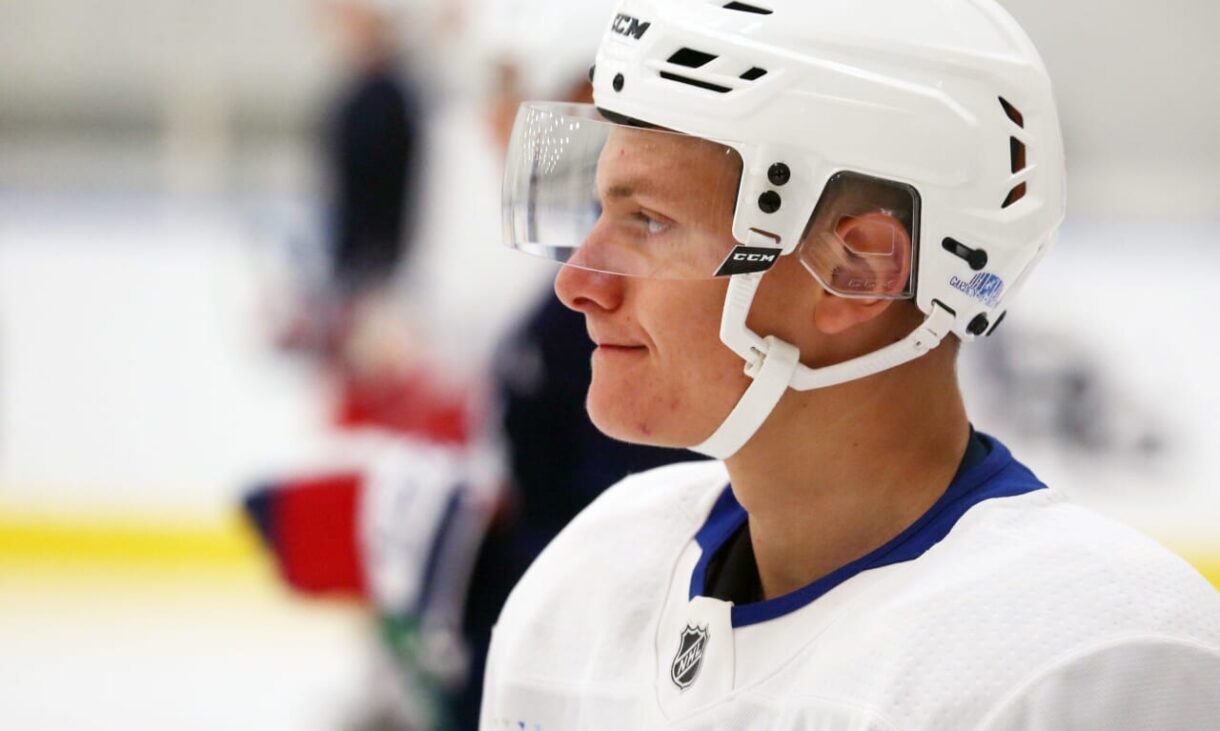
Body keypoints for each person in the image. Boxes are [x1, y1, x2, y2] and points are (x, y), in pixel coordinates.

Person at [479, 0, 1220, 728]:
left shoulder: (1097, 663)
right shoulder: (587, 579)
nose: (577, 281)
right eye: (600, 212)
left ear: (858, 269)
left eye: (649, 220)